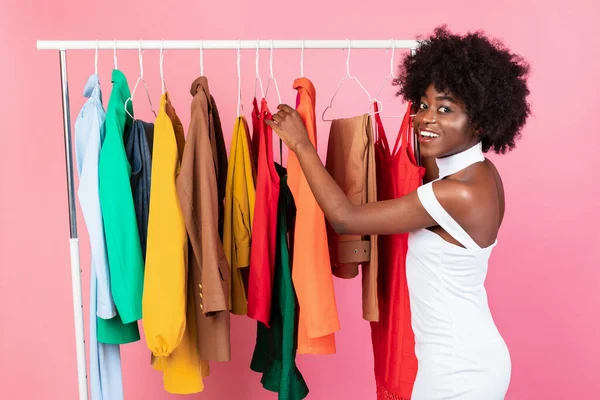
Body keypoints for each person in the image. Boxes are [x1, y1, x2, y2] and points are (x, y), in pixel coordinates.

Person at [264, 26, 531, 400]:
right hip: (456, 359)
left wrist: (301, 144)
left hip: (458, 370)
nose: (425, 119)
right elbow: (425, 157)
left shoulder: (457, 193)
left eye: (445, 109)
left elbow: (346, 219)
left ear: (482, 121)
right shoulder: (478, 172)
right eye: (422, 105)